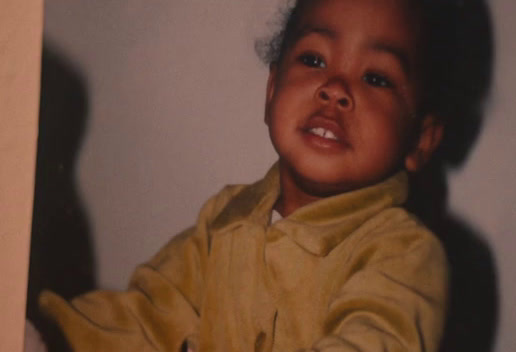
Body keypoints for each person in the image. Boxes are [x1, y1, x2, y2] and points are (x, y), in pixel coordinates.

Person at [39, 0, 452, 351]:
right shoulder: (225, 220)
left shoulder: (403, 253)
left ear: (421, 140)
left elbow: (374, 337)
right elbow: (145, 316)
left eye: (375, 77)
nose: (335, 88)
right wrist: (47, 336)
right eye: (313, 59)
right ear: (272, 92)